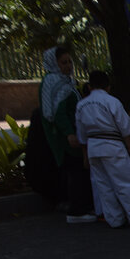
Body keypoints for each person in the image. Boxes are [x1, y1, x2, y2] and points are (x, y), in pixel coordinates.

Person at [75, 70, 130, 229]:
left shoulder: (81, 104)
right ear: (108, 86)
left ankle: (115, 218)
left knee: (103, 185)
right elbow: (124, 127)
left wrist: (85, 155)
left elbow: (81, 133)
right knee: (125, 183)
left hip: (93, 147)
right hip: (112, 145)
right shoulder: (111, 101)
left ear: (90, 86)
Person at [39, 46, 96, 223]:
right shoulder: (54, 82)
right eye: (63, 62)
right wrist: (69, 133)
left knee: (77, 170)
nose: (68, 66)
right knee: (76, 171)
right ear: (53, 64)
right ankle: (76, 211)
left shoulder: (64, 81)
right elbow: (57, 112)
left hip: (69, 133)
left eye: (70, 61)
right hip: (64, 136)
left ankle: (82, 207)